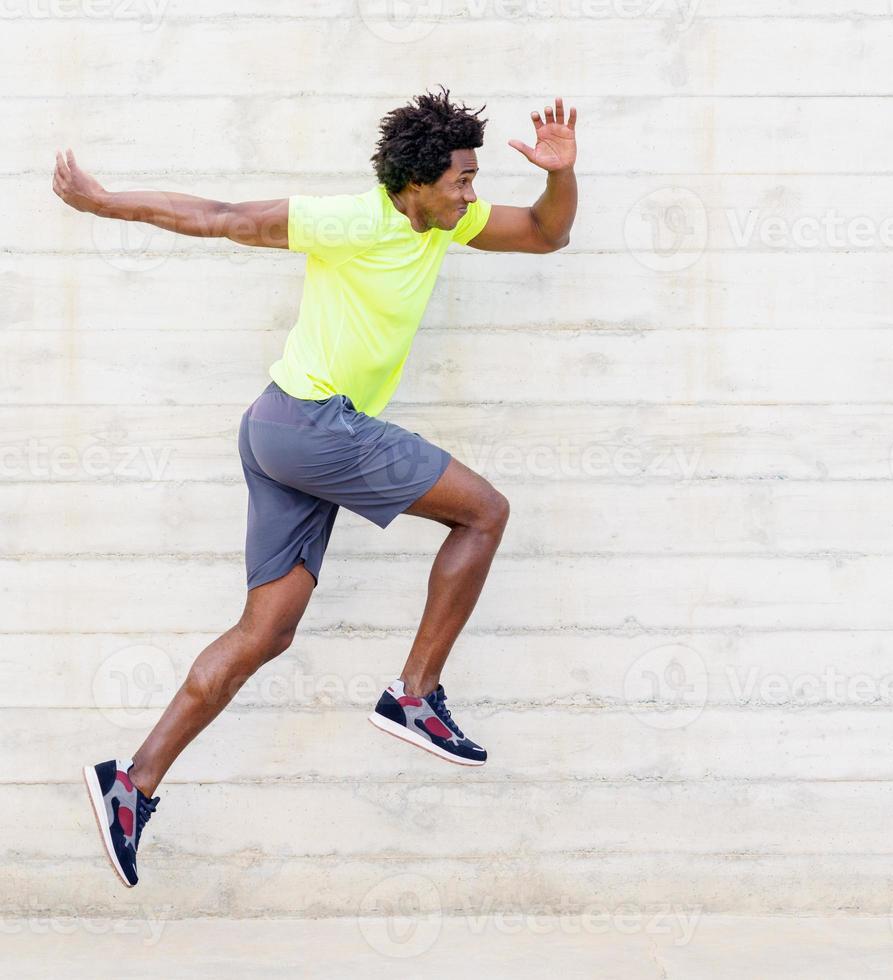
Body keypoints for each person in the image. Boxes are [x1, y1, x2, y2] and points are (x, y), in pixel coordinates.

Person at [52, 88, 579, 888]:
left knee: (267, 631)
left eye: (473, 180)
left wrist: (562, 175)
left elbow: (547, 233)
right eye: (461, 181)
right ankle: (415, 695)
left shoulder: (446, 221)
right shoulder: (349, 221)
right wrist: (104, 202)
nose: (473, 193)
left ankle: (132, 784)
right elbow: (221, 215)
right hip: (309, 426)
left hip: (278, 430)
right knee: (485, 512)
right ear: (414, 182)